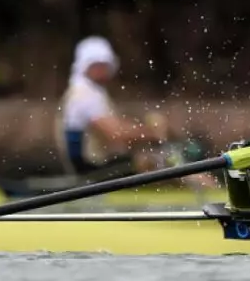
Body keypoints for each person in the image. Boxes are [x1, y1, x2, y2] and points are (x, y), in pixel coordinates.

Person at [55, 36, 215, 187]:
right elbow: (116, 134)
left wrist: (146, 132)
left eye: (105, 64)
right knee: (164, 160)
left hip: (97, 165)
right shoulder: (84, 95)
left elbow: (117, 127)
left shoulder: (88, 91)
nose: (104, 70)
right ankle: (213, 195)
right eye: (98, 65)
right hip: (92, 171)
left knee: (155, 158)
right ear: (85, 66)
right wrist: (154, 133)